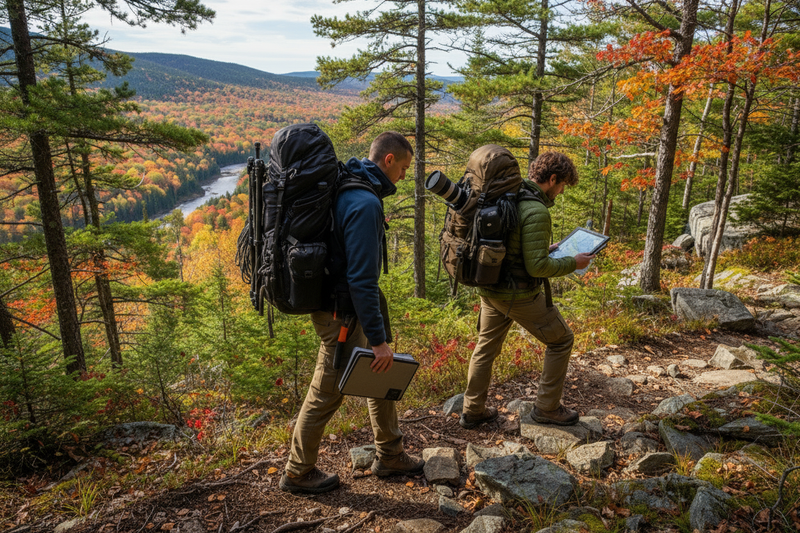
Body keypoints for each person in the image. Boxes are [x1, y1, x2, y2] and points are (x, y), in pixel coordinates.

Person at [280, 132, 424, 494]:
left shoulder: (350, 181)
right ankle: (297, 471)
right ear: (388, 160)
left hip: (340, 305)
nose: (403, 176)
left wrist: (378, 343)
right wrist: (378, 340)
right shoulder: (365, 203)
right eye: (403, 168)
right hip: (340, 312)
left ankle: (390, 453)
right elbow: (361, 280)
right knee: (327, 391)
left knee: (380, 373)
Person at [459, 151, 594, 429]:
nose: (561, 192)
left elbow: (512, 243)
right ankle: (547, 407)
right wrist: (574, 262)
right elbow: (537, 268)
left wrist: (544, 248)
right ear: (552, 179)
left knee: (485, 347)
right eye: (562, 185)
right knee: (561, 340)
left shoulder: (511, 194)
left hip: (489, 287)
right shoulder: (537, 210)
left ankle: (472, 410)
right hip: (517, 295)